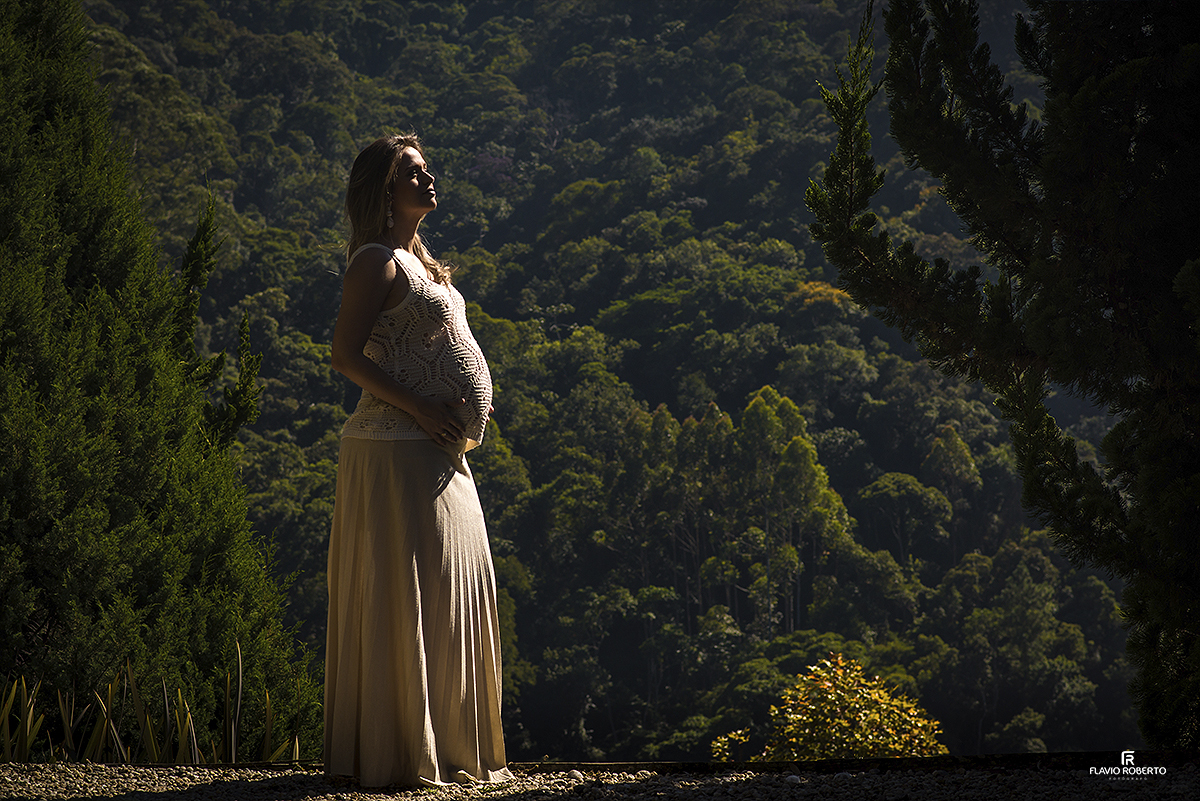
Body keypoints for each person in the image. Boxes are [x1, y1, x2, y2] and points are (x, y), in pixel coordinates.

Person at [323, 133, 512, 787]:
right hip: (397, 451)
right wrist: (426, 410)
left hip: (439, 452)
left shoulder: (422, 262)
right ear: (383, 189)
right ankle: (402, 754)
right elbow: (346, 357)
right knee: (412, 598)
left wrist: (464, 407)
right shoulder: (375, 262)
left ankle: (454, 747)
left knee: (453, 591)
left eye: (427, 168)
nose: (428, 178)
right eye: (412, 171)